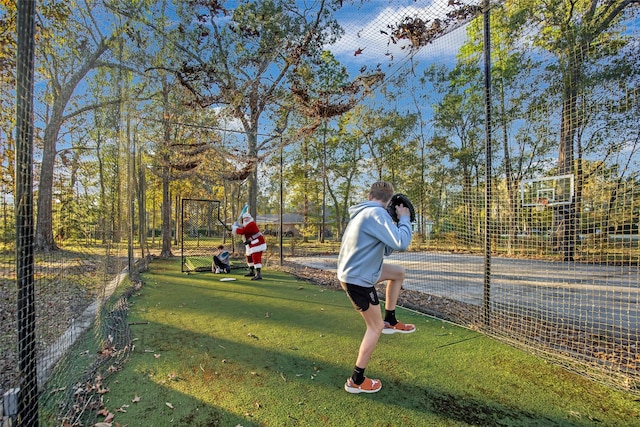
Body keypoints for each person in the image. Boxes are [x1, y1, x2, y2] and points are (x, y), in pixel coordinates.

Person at [337, 181, 415, 394]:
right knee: (374, 327)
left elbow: (388, 248)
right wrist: (404, 218)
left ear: (370, 195)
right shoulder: (376, 214)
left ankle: (391, 319)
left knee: (398, 272)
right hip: (357, 278)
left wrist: (395, 222)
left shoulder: (365, 212)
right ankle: (356, 380)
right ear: (389, 201)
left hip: (361, 270)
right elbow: (402, 243)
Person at [232, 212, 267, 280]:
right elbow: (243, 229)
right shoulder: (246, 225)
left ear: (250, 218)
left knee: (255, 257)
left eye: (247, 218)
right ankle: (251, 271)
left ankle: (258, 274)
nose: (245, 219)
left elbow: (243, 231)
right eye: (244, 218)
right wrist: (235, 227)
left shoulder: (251, 224)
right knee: (249, 257)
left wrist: (235, 228)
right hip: (251, 243)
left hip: (258, 243)